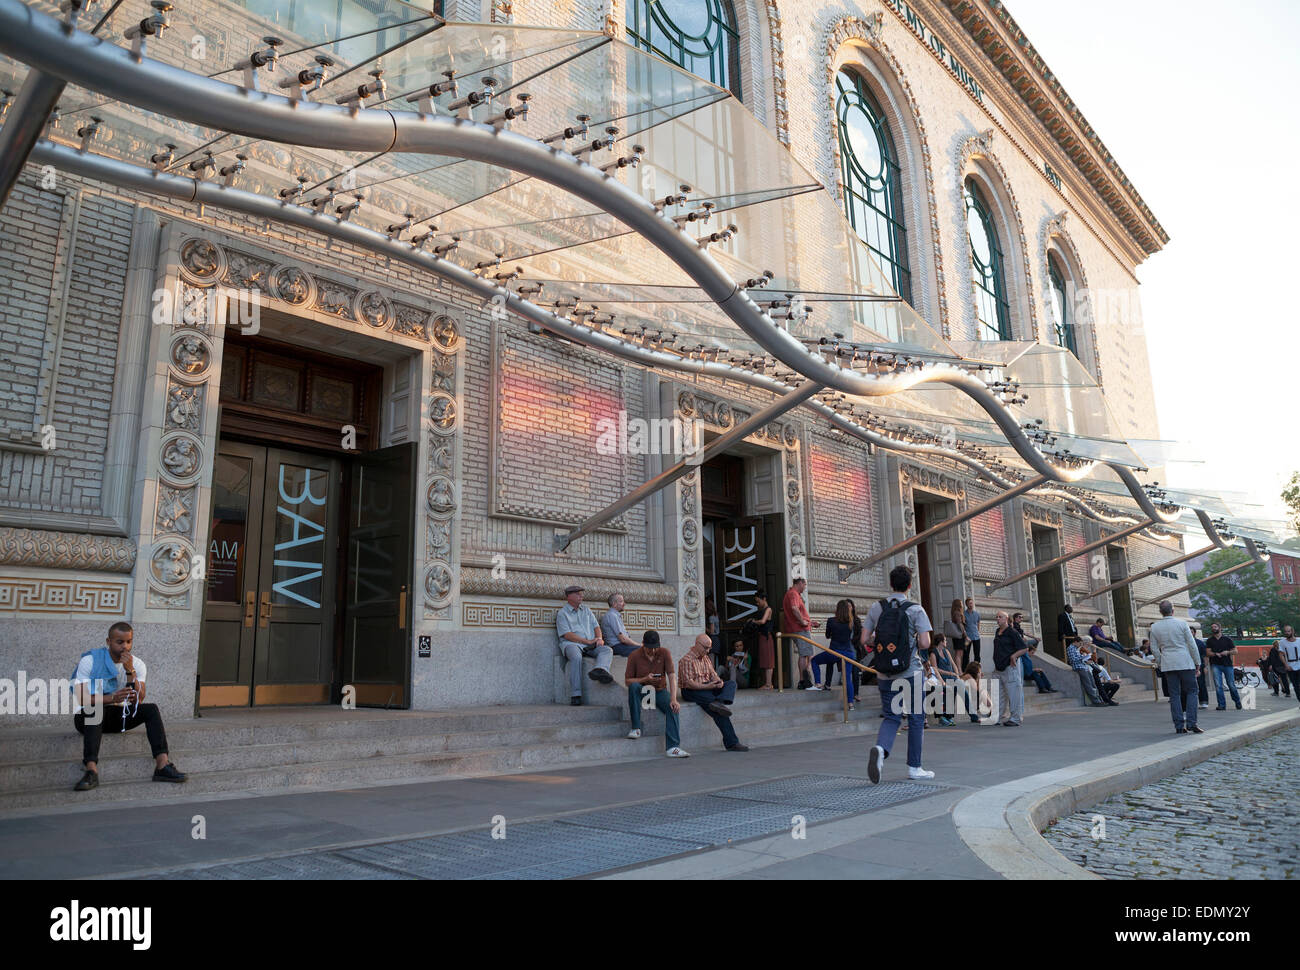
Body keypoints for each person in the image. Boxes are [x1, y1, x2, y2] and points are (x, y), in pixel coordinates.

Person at [70, 622, 187, 791]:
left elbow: (138, 699)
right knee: (94, 710)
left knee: (151, 709)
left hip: (118, 716)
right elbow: (82, 698)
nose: (125, 647)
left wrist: (130, 672)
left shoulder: (137, 664)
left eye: (128, 642)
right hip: (88, 717)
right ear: (108, 641)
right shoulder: (90, 660)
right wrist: (112, 698)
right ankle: (91, 770)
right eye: (119, 642)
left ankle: (162, 765)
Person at [865, 565, 935, 783]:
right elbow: (925, 643)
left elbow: (864, 640)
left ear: (890, 583)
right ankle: (915, 767)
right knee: (916, 718)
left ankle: (881, 748)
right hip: (910, 673)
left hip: (884, 673)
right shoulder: (916, 609)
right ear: (910, 585)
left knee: (891, 716)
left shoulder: (877, 608)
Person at [623, 630, 689, 758]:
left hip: (659, 691)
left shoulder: (664, 653)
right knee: (634, 686)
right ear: (643, 644)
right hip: (642, 690)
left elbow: (671, 676)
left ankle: (673, 747)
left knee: (673, 708)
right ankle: (636, 728)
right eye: (649, 648)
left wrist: (674, 698)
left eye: (655, 648)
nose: (652, 651)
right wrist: (644, 679)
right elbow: (627, 681)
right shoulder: (634, 655)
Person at [678, 633, 748, 751]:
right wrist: (708, 686)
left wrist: (718, 681)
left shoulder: (705, 658)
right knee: (719, 712)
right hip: (691, 690)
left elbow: (713, 675)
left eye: (709, 647)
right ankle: (732, 743)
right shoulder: (686, 660)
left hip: (708, 687)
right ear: (697, 645)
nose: (708, 650)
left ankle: (719, 703)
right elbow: (690, 683)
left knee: (731, 684)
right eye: (706, 647)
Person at [1149, 600, 1203, 735]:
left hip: (1168, 663)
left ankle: (1179, 726)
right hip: (1185, 661)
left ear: (1160, 612)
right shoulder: (1182, 623)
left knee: (1174, 695)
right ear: (1173, 610)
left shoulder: (1154, 627)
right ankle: (1192, 723)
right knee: (1192, 691)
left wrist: (1161, 662)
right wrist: (1197, 662)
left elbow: (1154, 649)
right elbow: (1192, 644)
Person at [556, 585, 612, 706]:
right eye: (577, 594)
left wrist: (599, 639)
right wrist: (587, 642)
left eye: (581, 594)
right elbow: (567, 635)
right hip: (572, 644)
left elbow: (596, 626)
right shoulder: (562, 613)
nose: (581, 596)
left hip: (590, 644)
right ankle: (576, 694)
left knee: (606, 650)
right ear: (569, 596)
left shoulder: (586, 610)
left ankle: (600, 669)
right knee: (576, 657)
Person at [812, 600, 856, 708]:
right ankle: (850, 703)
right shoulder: (851, 622)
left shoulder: (831, 621)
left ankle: (818, 683)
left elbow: (827, 635)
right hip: (848, 654)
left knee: (814, 660)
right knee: (847, 679)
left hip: (834, 652)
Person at [992, 611, 1029, 726]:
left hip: (1009, 667)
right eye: (996, 617)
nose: (998, 619)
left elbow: (1024, 648)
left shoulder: (1012, 632)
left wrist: (1014, 656)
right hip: (998, 668)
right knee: (998, 694)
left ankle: (1015, 718)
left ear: (1006, 619)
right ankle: (996, 717)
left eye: (1000, 617)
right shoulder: (998, 632)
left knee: (1014, 693)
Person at [782, 578, 819, 690]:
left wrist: (809, 622)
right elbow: (794, 608)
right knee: (806, 654)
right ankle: (805, 682)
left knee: (806, 654)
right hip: (800, 629)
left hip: (798, 628)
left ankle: (804, 681)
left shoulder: (791, 594)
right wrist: (803, 622)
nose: (805, 587)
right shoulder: (793, 594)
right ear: (799, 583)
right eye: (804, 585)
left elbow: (796, 612)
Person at [1012, 612, 1057, 693]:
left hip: (1024, 647)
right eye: (1020, 617)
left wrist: (1035, 637)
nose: (1021, 619)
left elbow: (1025, 633)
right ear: (1015, 618)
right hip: (1021, 646)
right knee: (1036, 673)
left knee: (1036, 641)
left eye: (1022, 617)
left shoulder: (1019, 626)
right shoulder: (1013, 625)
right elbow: (1015, 634)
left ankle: (1049, 687)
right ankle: (1042, 689)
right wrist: (1022, 639)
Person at [1205, 623, 1242, 711]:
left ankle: (1237, 701)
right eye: (1212, 627)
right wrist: (1214, 654)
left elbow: (1235, 651)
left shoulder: (1227, 639)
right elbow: (1207, 653)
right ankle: (1221, 705)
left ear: (1220, 628)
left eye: (1215, 627)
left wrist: (1227, 652)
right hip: (1215, 665)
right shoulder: (1210, 640)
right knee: (1218, 685)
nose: (1213, 628)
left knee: (1231, 684)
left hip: (1227, 665)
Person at [1066, 636, 1108, 707]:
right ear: (1075, 642)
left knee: (1093, 684)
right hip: (1079, 668)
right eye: (1080, 643)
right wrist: (1083, 657)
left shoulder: (1076, 648)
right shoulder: (1070, 648)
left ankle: (1099, 700)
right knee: (1088, 685)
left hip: (1084, 667)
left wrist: (1086, 658)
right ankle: (1095, 701)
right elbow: (1072, 659)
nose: (1080, 645)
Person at [928, 632, 959, 726]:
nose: (946, 642)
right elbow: (935, 669)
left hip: (950, 677)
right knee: (944, 690)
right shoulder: (934, 653)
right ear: (941, 642)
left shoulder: (946, 651)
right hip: (940, 678)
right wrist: (949, 674)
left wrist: (956, 674)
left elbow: (953, 664)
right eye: (945, 640)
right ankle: (942, 717)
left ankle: (949, 716)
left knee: (955, 688)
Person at [600, 593, 640, 658]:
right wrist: (639, 645)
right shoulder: (611, 615)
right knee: (644, 651)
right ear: (614, 604)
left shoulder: (615, 615)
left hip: (622, 645)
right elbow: (623, 639)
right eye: (621, 601)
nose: (624, 604)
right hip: (616, 647)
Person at [754, 590, 776, 690]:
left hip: (767, 637)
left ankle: (769, 684)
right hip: (762, 636)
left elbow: (763, 621)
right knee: (764, 660)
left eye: (758, 601)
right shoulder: (761, 610)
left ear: (764, 599)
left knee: (768, 660)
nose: (757, 604)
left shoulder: (768, 609)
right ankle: (767, 683)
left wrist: (754, 621)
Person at [1276, 626, 1300, 703]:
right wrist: (1286, 665)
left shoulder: (1299, 640)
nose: (1287, 633)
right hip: (1290, 667)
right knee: (1296, 687)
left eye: (1288, 631)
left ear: (1292, 631)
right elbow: (1281, 654)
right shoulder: (1282, 642)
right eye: (1285, 631)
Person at [945, 599, 968, 671]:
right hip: (959, 636)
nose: (962, 605)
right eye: (961, 603)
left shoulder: (955, 612)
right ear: (958, 604)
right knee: (959, 653)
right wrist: (965, 634)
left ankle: (959, 669)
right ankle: (959, 670)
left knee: (959, 653)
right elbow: (959, 624)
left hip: (958, 636)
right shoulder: (957, 612)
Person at [963, 597, 982, 665]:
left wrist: (977, 632)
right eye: (969, 603)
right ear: (966, 605)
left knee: (977, 654)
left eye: (971, 603)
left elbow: (978, 623)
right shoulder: (964, 614)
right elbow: (963, 626)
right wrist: (965, 635)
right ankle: (965, 669)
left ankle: (977, 670)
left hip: (976, 637)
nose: (971, 605)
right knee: (966, 654)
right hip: (967, 638)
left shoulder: (977, 614)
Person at [1193, 635, 1210, 709]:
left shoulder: (1200, 643)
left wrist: (1205, 667)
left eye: (1192, 632)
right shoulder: (1184, 642)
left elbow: (1205, 656)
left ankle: (1204, 702)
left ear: (1194, 633)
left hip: (1200, 666)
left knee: (1201, 683)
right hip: (1187, 666)